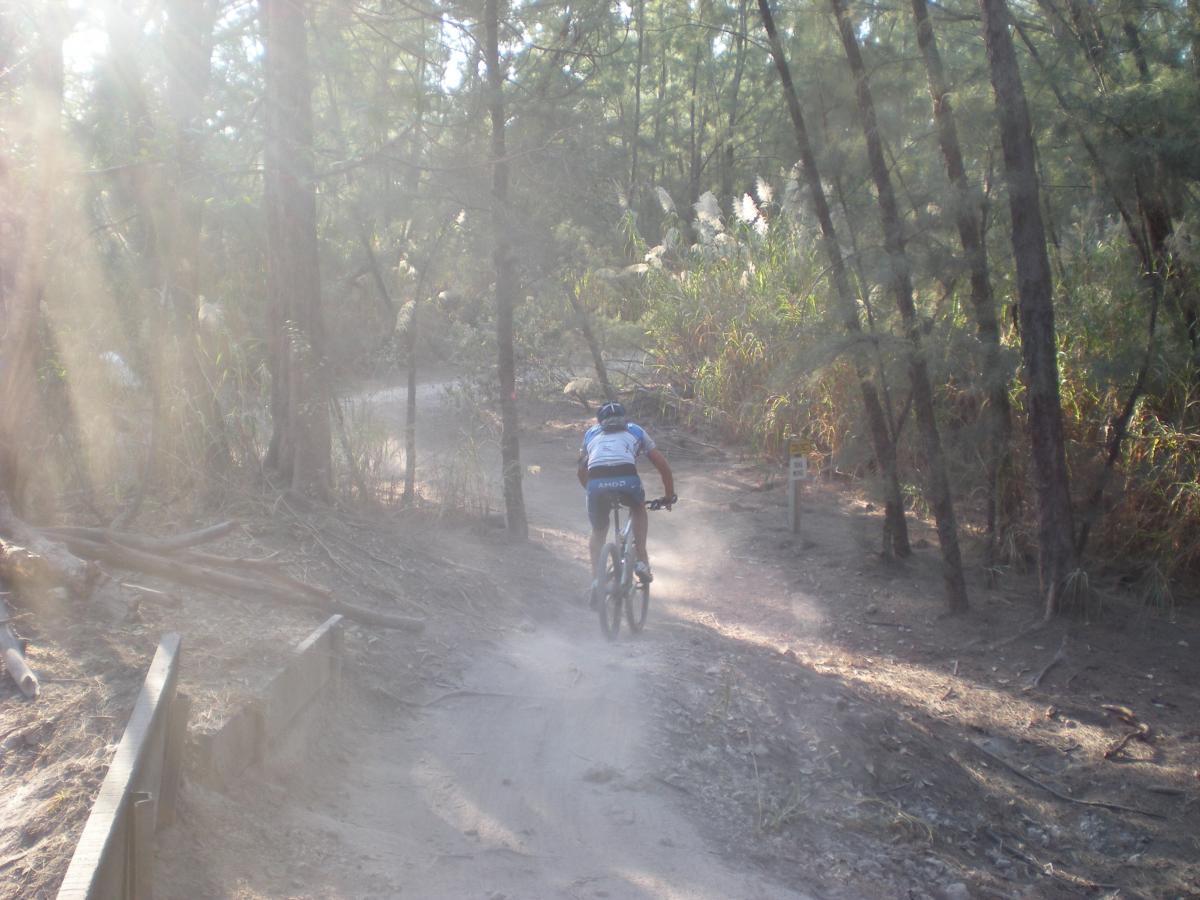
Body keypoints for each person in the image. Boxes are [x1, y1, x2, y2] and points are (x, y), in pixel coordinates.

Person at [578, 400, 675, 595]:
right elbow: (662, 465)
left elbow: (581, 471)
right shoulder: (635, 430)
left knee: (598, 531)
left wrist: (591, 489)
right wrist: (668, 495)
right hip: (627, 480)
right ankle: (641, 561)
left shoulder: (591, 433)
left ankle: (597, 580)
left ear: (599, 421)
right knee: (638, 508)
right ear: (624, 418)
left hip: (596, 483)